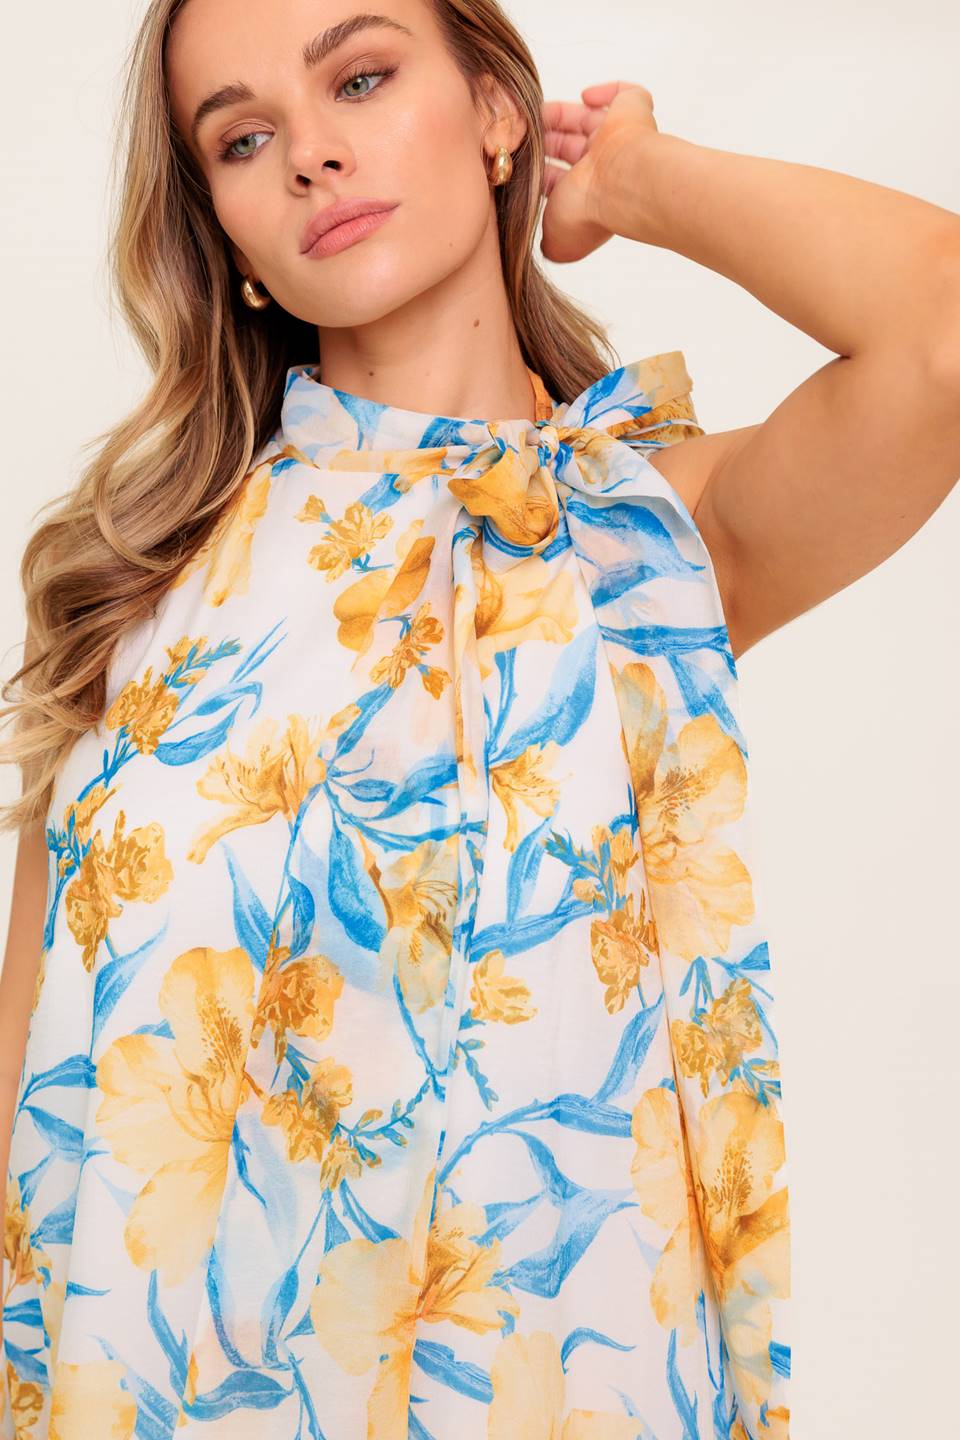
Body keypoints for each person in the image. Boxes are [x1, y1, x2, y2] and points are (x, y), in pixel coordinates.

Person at [2, 0, 958, 1435]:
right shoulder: (137, 589)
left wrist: (635, 178)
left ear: (497, 111)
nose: (310, 155)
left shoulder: (645, 539)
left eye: (362, 78)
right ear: (226, 235)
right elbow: (26, 1084)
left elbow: (943, 336)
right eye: (244, 139)